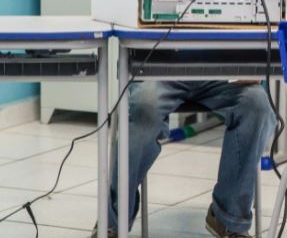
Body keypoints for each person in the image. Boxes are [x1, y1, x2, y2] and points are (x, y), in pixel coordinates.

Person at [94, 81, 276, 238]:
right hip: (159, 69)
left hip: (222, 72)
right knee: (145, 104)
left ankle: (230, 220)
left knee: (257, 105)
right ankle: (114, 222)